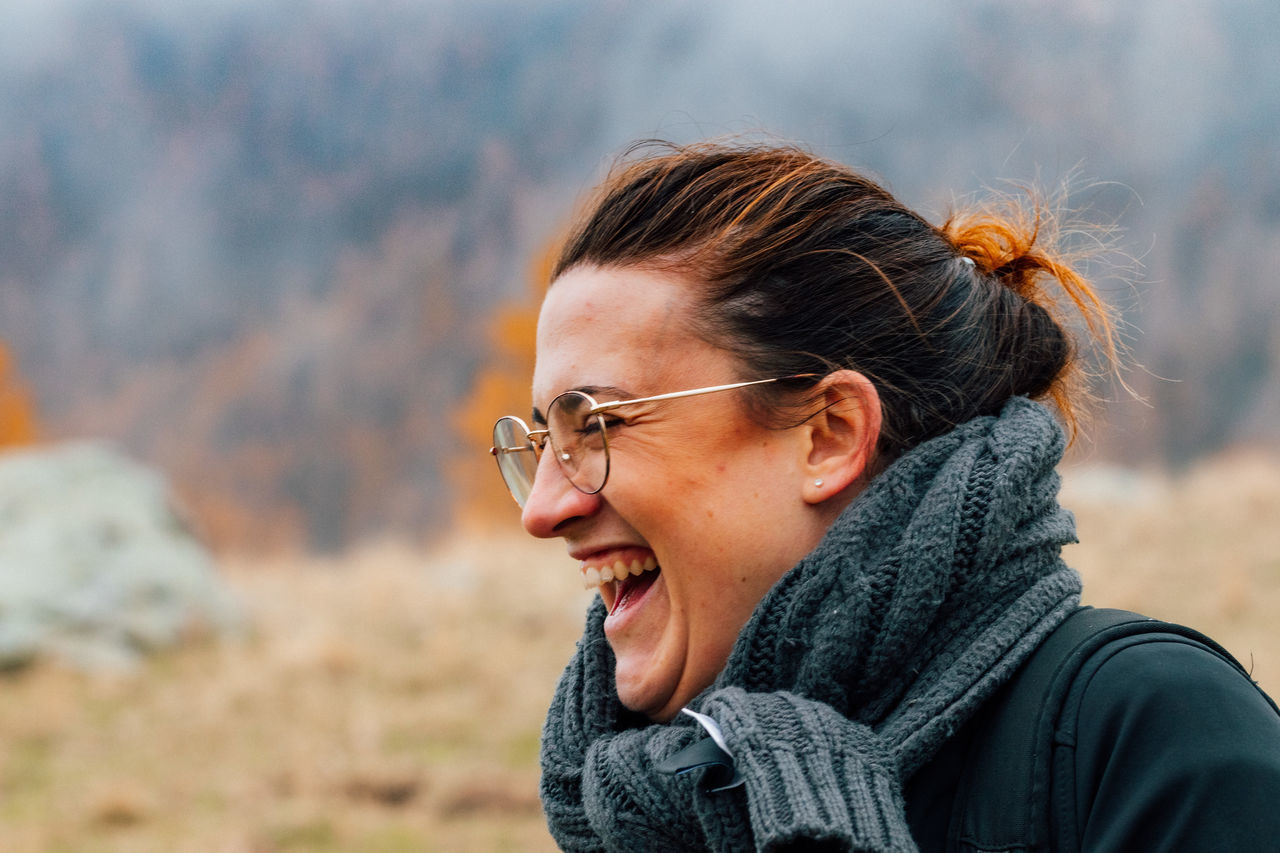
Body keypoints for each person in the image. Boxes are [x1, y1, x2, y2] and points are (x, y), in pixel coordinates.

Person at [488, 141, 1280, 851]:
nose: (543, 509)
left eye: (593, 424)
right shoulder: (655, 801)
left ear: (830, 433)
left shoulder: (1153, 738)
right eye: (539, 443)